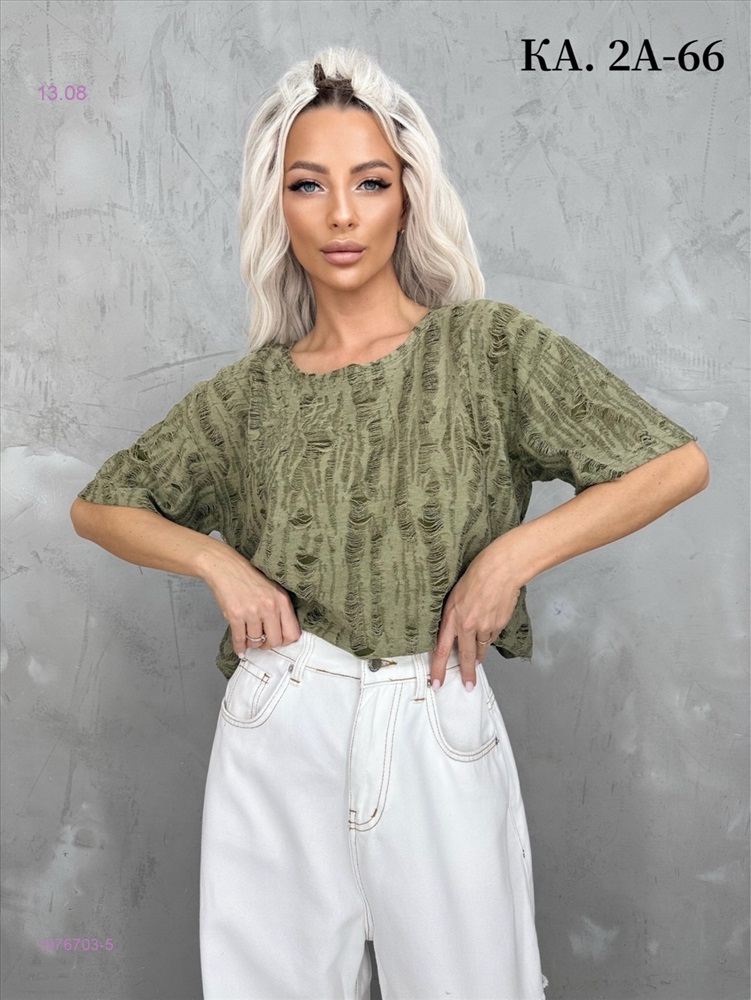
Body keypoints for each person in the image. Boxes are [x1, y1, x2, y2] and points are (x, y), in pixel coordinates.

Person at [70, 46, 709, 1000]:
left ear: (407, 196)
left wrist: (510, 557)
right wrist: (216, 562)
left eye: (369, 182)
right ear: (275, 205)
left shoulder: (486, 348)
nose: (340, 214)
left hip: (432, 711)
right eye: (308, 184)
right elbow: (99, 505)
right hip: (282, 719)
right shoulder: (247, 398)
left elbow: (673, 462)